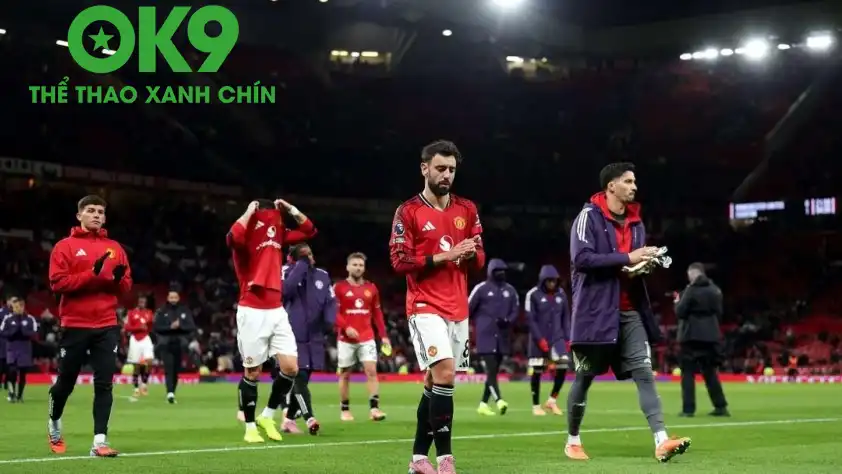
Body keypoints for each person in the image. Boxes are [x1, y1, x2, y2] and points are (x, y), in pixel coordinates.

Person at [566, 163, 690, 462]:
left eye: (634, 181)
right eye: (628, 181)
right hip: (595, 313)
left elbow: (627, 267)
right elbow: (581, 259)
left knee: (644, 373)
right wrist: (628, 257)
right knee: (585, 376)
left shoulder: (636, 223)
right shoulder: (587, 217)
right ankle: (572, 440)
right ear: (611, 186)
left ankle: (661, 440)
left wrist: (643, 265)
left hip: (629, 310)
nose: (634, 187)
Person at [390, 139, 485, 474]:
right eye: (440, 168)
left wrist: (471, 254)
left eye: (452, 170)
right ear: (424, 168)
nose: (447, 175)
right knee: (445, 373)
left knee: (435, 381)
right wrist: (447, 255)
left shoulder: (467, 209)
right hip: (424, 304)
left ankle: (418, 459)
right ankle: (446, 460)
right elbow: (399, 262)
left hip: (457, 307)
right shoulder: (408, 212)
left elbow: (479, 259)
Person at [47, 194, 132, 457]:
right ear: (79, 215)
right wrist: (91, 274)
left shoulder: (115, 248)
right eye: (91, 210)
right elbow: (57, 284)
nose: (96, 215)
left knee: (104, 383)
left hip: (107, 324)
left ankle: (99, 442)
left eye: (100, 212)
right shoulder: (65, 247)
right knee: (65, 383)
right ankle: (54, 422)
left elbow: (126, 290)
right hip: (75, 324)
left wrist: (118, 281)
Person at [228, 198, 316, 443]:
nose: (272, 224)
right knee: (252, 371)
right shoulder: (244, 237)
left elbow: (309, 230)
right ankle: (250, 427)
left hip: (276, 309)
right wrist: (248, 211)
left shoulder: (278, 235)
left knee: (290, 368)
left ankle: (267, 416)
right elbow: (231, 238)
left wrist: (291, 209)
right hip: (252, 309)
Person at [277, 243, 336, 435]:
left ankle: (288, 420)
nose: (309, 257)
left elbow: (330, 301)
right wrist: (300, 266)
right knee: (299, 376)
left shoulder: (322, 275)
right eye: (304, 255)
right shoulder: (287, 271)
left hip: (315, 334)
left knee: (304, 377)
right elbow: (285, 291)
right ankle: (309, 418)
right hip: (292, 334)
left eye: (310, 254)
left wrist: (329, 323)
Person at [333, 251, 391, 422]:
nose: (358, 268)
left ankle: (374, 409)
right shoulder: (339, 287)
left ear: (364, 268)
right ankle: (345, 410)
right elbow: (334, 312)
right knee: (345, 374)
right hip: (346, 339)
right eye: (355, 265)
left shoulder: (371, 288)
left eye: (361, 265)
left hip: (367, 337)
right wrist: (346, 327)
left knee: (371, 371)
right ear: (347, 267)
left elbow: (377, 314)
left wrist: (384, 336)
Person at [676, 263, 729, 417]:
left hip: (691, 335)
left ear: (693, 273)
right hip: (711, 335)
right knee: (710, 372)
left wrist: (677, 302)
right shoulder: (715, 290)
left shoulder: (690, 290)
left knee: (687, 372)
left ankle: (688, 409)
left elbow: (680, 312)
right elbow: (719, 312)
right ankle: (720, 406)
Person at [469, 258, 517, 416]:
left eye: (503, 271)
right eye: (497, 271)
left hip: (502, 337)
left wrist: (508, 320)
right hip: (486, 336)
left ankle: (483, 404)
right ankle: (499, 400)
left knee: (493, 372)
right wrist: (478, 324)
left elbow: (515, 310)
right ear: (491, 272)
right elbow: (468, 308)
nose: (501, 273)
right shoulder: (481, 289)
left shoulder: (510, 290)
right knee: (491, 370)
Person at [525, 265, 570, 416]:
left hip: (557, 339)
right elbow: (530, 319)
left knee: (563, 366)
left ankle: (552, 400)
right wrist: (539, 339)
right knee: (537, 371)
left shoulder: (561, 295)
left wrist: (568, 339)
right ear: (543, 280)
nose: (552, 283)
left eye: (554, 281)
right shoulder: (533, 294)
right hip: (539, 340)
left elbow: (566, 318)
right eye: (549, 281)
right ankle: (536, 406)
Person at [153, 290, 195, 404]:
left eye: (175, 297)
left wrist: (180, 326)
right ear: (168, 298)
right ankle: (170, 393)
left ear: (178, 298)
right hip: (165, 344)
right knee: (169, 368)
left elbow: (191, 326)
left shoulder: (184, 311)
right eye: (171, 297)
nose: (173, 300)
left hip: (179, 344)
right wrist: (170, 327)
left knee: (176, 370)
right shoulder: (162, 311)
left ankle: (172, 392)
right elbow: (157, 327)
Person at [1, 297, 37, 402]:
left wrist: (24, 332)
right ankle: (11, 392)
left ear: (23, 307)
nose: (18, 309)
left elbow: (34, 332)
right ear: (12, 307)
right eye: (16, 307)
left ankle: (20, 395)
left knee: (23, 373)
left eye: (20, 306)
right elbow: (2, 332)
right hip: (12, 347)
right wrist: (12, 332)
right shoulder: (8, 319)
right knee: (11, 370)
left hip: (25, 347)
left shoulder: (30, 319)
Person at [125, 294, 154, 401]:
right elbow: (127, 327)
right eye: (140, 301)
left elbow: (150, 326)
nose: (142, 303)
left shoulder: (149, 313)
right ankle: (136, 388)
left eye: (144, 302)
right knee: (136, 365)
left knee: (149, 362)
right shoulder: (131, 313)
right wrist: (138, 327)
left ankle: (144, 384)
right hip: (135, 339)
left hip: (145, 338)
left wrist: (147, 328)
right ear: (137, 302)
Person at [0, 298, 10, 399]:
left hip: (10, 342)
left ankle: (7, 383)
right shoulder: (2, 312)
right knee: (2, 363)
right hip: (2, 341)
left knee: (8, 364)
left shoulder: (14, 313)